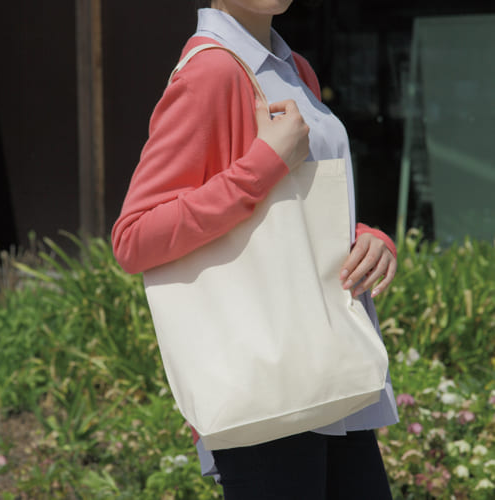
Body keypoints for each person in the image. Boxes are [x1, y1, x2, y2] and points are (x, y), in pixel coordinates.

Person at [112, 1, 399, 498]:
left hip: (329, 367)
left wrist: (366, 238)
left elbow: (294, 209)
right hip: (266, 378)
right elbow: (134, 237)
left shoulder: (294, 68)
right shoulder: (211, 72)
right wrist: (263, 164)